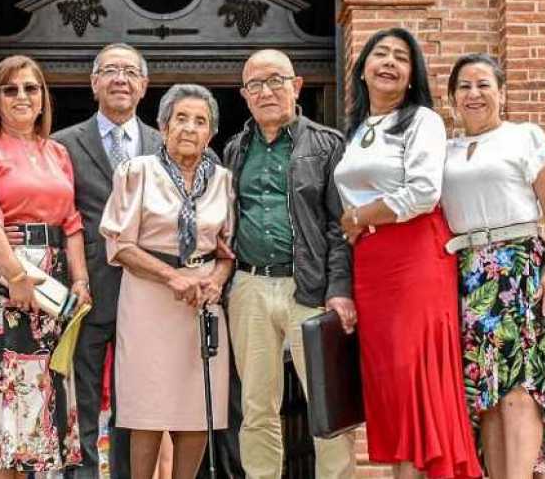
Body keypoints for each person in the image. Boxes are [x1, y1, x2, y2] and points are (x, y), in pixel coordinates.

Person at [333, 28, 481, 479]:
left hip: (414, 255)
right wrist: (359, 222)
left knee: (412, 370)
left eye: (401, 57)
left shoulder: (423, 121)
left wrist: (360, 216)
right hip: (371, 264)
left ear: (413, 74)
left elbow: (422, 191)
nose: (390, 63)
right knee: (388, 382)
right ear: (362, 69)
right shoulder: (357, 130)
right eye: (381, 54)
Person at [222, 48, 355, 479]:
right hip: (249, 286)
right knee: (257, 406)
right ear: (244, 95)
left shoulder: (327, 143)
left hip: (309, 288)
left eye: (275, 80)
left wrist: (339, 289)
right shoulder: (235, 148)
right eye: (255, 85)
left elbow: (340, 227)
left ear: (296, 86)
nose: (266, 91)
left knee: (326, 404)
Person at [0, 54, 91, 476]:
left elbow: (71, 223)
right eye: (10, 89)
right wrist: (15, 274)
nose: (21, 96)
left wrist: (82, 279)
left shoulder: (57, 153)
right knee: (0, 395)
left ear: (42, 98)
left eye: (30, 88)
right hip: (6, 280)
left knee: (41, 394)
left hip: (54, 287)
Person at [441, 53, 545, 476]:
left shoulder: (523, 136)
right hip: (468, 273)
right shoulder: (445, 151)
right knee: (486, 394)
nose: (473, 94)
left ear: (502, 93)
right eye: (464, 86)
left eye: (483, 85)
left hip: (519, 267)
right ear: (452, 99)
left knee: (518, 387)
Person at [99, 83, 234, 478]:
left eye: (200, 121)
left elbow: (227, 249)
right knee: (147, 405)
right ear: (163, 126)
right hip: (148, 297)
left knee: (197, 406)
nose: (190, 128)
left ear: (211, 133)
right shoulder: (136, 172)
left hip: (201, 301)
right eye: (181, 119)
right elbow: (120, 246)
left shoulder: (223, 180)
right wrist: (170, 276)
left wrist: (218, 281)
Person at [52, 42, 163, 478]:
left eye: (131, 72)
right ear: (94, 83)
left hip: (149, 291)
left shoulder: (164, 143)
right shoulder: (62, 144)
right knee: (79, 393)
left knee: (134, 401)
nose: (121, 79)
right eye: (111, 71)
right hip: (88, 287)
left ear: (144, 86)